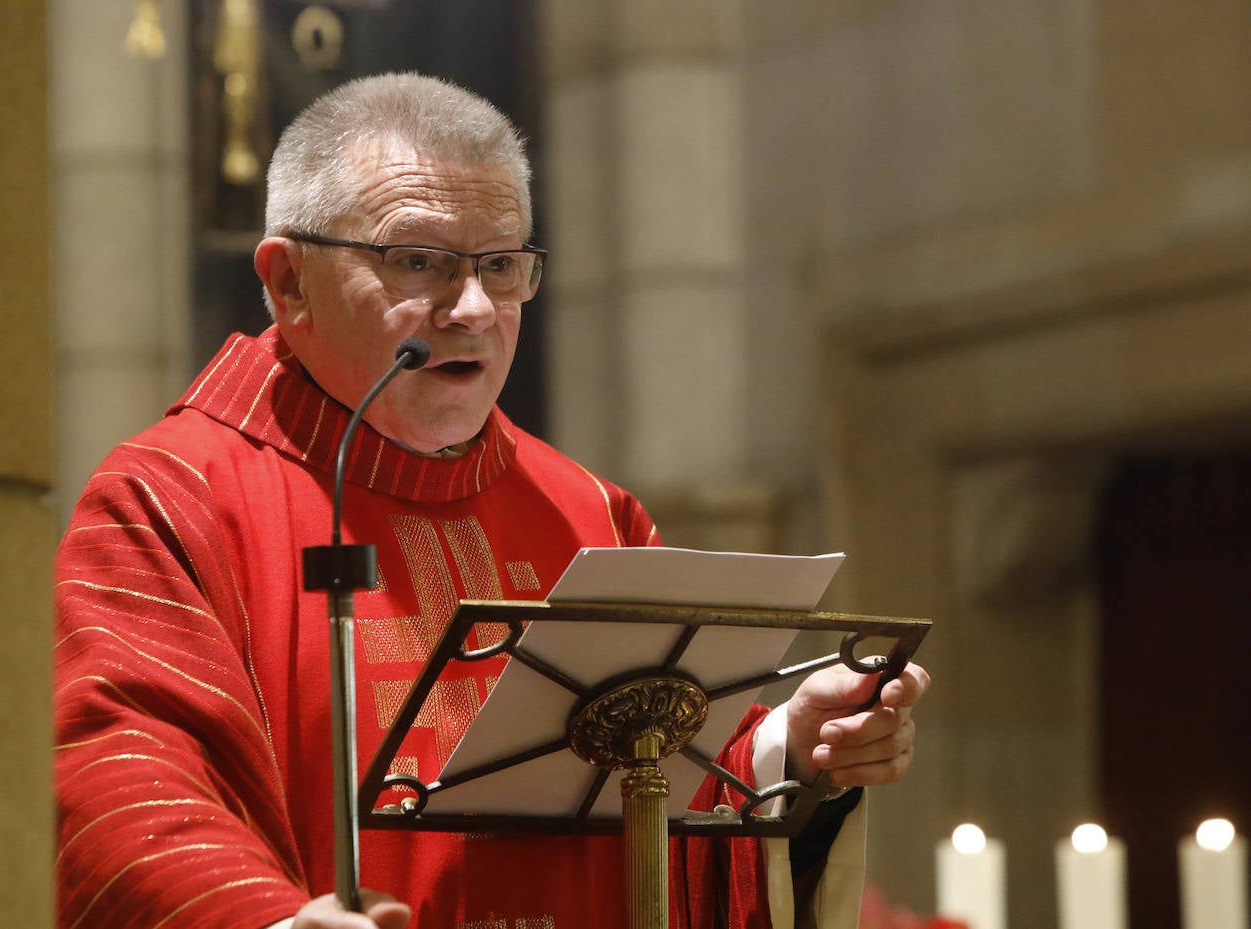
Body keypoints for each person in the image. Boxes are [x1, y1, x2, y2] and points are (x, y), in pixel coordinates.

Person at [53, 71, 929, 929]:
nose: (472, 308)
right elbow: (116, 773)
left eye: (502, 265)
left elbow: (663, 791)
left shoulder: (591, 512)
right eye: (419, 261)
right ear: (288, 284)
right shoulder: (170, 501)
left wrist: (791, 756)